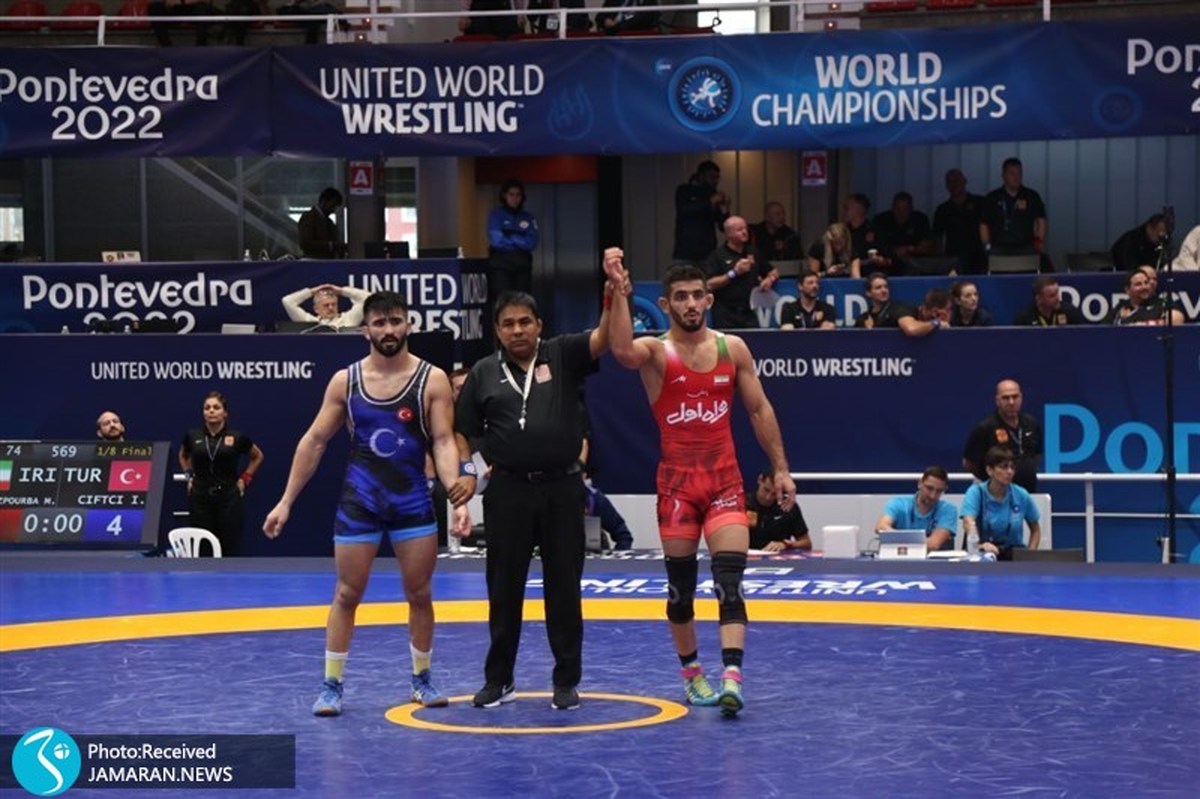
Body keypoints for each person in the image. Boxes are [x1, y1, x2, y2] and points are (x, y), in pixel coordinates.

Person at [603, 249, 796, 717]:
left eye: (697, 295)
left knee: (730, 582)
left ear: (709, 300)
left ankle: (732, 676)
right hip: (677, 488)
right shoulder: (656, 353)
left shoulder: (733, 349)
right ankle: (692, 676)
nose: (691, 304)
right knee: (680, 590)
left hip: (724, 483)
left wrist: (781, 468)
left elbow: (759, 410)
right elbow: (622, 351)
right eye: (681, 297)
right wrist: (617, 291)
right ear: (666, 305)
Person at [263, 291, 473, 717]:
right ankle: (331, 686)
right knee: (346, 593)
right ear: (366, 330)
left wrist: (457, 496)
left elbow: (443, 440)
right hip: (360, 500)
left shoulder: (432, 379)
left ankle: (421, 680)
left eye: (395, 321)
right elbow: (314, 441)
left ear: (408, 324)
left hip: (411, 498)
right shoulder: (346, 381)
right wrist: (285, 501)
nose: (388, 330)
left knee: (420, 592)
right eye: (379, 323)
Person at [454, 285, 617, 712]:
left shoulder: (562, 354)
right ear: (497, 331)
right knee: (503, 589)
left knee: (564, 588)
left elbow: (604, 338)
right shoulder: (483, 372)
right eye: (508, 324)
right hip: (507, 491)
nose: (517, 330)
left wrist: (613, 295)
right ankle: (499, 679)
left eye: (525, 321)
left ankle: (566, 681)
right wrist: (469, 472)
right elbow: (463, 431)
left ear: (539, 325)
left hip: (562, 489)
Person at [179, 391, 264, 557]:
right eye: (207, 408)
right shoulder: (192, 436)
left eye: (216, 407)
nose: (211, 411)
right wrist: (189, 476)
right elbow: (183, 455)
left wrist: (245, 478)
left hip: (228, 498)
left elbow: (257, 456)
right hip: (200, 497)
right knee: (202, 548)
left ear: (225, 413)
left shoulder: (237, 437)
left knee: (229, 546)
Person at [960, 446, 1042, 560]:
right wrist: (977, 546)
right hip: (983, 553)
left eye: (1012, 467)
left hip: (1013, 555)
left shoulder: (1021, 494)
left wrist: (1029, 557)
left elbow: (1036, 530)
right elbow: (968, 522)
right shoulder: (976, 492)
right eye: (1004, 467)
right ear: (989, 470)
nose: (1009, 472)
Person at [962, 379, 1041, 493]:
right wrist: (992, 479)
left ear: (1021, 398)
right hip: (995, 493)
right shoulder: (985, 428)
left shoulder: (1031, 424)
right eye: (1005, 398)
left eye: (1015, 397)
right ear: (997, 400)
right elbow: (969, 463)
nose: (1011, 402)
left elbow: (1037, 454)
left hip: (1027, 491)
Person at [705, 216, 777, 329]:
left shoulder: (753, 252)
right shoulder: (717, 255)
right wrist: (734, 273)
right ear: (728, 234)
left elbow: (773, 271)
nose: (745, 232)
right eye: (739, 230)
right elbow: (709, 284)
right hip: (725, 313)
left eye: (745, 228)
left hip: (749, 311)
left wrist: (769, 279)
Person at [980, 157, 1050, 270]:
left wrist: (1038, 243)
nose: (1016, 177)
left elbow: (1041, 221)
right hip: (999, 248)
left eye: (1019, 173)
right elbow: (984, 224)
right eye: (1012, 173)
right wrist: (987, 246)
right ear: (1003, 176)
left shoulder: (1031, 196)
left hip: (1026, 247)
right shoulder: (992, 197)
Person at [876, 466, 957, 553]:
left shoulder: (949, 510)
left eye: (939, 491)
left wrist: (897, 538)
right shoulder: (898, 503)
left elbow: (933, 544)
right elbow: (881, 527)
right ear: (920, 484)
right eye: (929, 488)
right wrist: (913, 540)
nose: (932, 495)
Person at [487, 178, 539, 307]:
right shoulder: (496, 216)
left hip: (522, 267)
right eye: (511, 194)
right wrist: (520, 239)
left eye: (518, 195)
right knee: (503, 303)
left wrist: (510, 237)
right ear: (504, 195)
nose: (515, 198)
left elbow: (531, 242)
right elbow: (497, 241)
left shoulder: (528, 217)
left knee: (523, 303)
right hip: (501, 267)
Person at [672, 161, 729, 267]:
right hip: (686, 251)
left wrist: (725, 210)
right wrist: (709, 202)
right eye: (712, 177)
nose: (715, 181)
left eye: (717, 178)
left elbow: (723, 226)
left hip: (707, 252)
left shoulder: (713, 193)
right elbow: (685, 210)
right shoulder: (684, 190)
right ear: (701, 176)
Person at [932, 168, 987, 274]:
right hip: (953, 260)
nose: (954, 184)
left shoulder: (980, 203)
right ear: (946, 185)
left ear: (965, 181)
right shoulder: (943, 209)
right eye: (950, 181)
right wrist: (941, 261)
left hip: (979, 259)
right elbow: (937, 237)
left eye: (957, 180)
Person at [853, 273, 941, 336]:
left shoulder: (897, 309)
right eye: (878, 288)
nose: (884, 290)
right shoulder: (862, 319)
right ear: (868, 293)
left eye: (886, 287)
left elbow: (911, 329)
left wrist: (936, 322)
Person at [747, 469, 810, 553]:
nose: (768, 497)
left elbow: (806, 543)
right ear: (760, 480)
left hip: (778, 557)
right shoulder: (742, 504)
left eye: (775, 493)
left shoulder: (788, 506)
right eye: (766, 490)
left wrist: (785, 545)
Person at [872, 191, 932, 271]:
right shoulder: (881, 221)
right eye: (897, 208)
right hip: (887, 263)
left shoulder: (920, 219)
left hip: (915, 264)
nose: (901, 213)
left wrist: (911, 249)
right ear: (892, 208)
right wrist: (894, 251)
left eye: (905, 209)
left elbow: (927, 247)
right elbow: (874, 247)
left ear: (911, 209)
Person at [1105, 268, 1187, 326]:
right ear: (1127, 289)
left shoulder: (1162, 303)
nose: (1144, 287)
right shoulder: (1121, 307)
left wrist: (1142, 325)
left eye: (1146, 283)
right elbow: (1105, 329)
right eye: (1138, 284)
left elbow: (1177, 320)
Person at [281, 283, 371, 328]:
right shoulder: (309, 322)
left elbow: (368, 298)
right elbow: (287, 301)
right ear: (316, 309)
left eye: (333, 304)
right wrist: (312, 291)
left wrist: (341, 291)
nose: (331, 308)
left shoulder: (349, 319)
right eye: (326, 305)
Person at [1012, 276, 1086, 326]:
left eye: (1057, 293)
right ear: (1039, 299)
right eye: (1052, 296)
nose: (1057, 298)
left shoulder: (1069, 312)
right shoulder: (1024, 318)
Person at [298, 188, 346, 259]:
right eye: (332, 206)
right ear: (323, 201)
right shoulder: (309, 217)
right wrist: (331, 245)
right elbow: (305, 243)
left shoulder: (329, 222)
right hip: (313, 260)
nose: (333, 210)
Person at [459, 0, 525, 38]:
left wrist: (520, 14)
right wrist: (464, 16)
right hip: (479, 14)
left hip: (502, 13)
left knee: (513, 26)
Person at [595, 0, 659, 34]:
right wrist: (605, 20)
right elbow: (599, 17)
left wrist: (617, 26)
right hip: (612, 38)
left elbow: (643, 19)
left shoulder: (649, 2)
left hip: (636, 37)